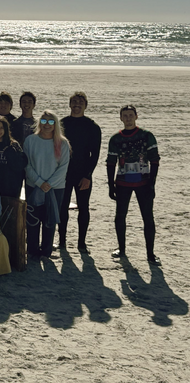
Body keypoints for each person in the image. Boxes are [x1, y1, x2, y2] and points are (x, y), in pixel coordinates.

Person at [106, 104, 160, 264]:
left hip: (144, 183)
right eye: (125, 116)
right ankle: (121, 249)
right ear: (120, 118)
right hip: (123, 182)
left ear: (136, 116)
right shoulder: (115, 139)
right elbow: (111, 162)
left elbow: (154, 160)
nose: (128, 118)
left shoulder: (147, 135)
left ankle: (150, 254)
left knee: (148, 217)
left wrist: (152, 183)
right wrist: (111, 185)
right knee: (120, 216)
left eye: (131, 115)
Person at [58, 91, 102, 253]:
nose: (77, 105)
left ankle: (81, 243)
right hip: (64, 173)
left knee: (83, 207)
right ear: (70, 104)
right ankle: (62, 242)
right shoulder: (61, 124)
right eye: (74, 102)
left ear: (85, 106)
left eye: (80, 103)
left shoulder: (92, 127)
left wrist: (87, 176)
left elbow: (95, 154)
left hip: (83, 173)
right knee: (62, 207)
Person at [23, 111, 70, 259]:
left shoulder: (63, 143)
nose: (47, 125)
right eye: (44, 121)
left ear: (55, 124)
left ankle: (46, 251)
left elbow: (63, 167)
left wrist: (48, 184)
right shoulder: (30, 140)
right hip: (33, 185)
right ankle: (32, 250)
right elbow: (26, 164)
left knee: (49, 220)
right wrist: (39, 182)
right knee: (32, 220)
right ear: (39, 123)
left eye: (51, 121)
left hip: (55, 188)